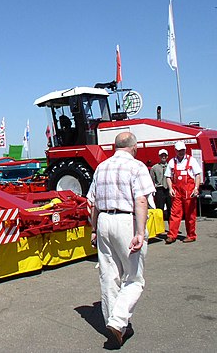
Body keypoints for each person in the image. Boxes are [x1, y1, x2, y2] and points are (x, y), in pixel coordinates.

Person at [87, 132, 155, 346]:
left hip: (104, 220)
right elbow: (141, 200)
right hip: (126, 220)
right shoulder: (137, 167)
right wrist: (140, 232)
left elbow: (93, 203)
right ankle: (118, 322)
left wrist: (94, 229)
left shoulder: (101, 167)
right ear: (134, 147)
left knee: (109, 275)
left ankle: (116, 326)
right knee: (134, 278)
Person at [164, 141, 202, 244]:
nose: (181, 152)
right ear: (175, 151)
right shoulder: (172, 162)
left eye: (183, 150)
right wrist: (171, 188)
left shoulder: (192, 160)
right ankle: (172, 235)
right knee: (174, 214)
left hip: (189, 192)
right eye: (179, 150)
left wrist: (196, 188)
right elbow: (168, 176)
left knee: (190, 214)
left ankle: (191, 235)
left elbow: (197, 175)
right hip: (177, 192)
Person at [150, 149, 172, 223]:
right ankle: (160, 227)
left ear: (167, 156)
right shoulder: (154, 168)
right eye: (162, 155)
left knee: (171, 209)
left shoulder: (171, 167)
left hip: (169, 189)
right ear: (159, 156)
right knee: (159, 209)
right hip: (159, 189)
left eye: (165, 155)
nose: (163, 157)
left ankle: (172, 228)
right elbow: (151, 180)